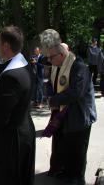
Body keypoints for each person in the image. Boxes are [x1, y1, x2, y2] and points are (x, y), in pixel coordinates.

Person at [0, 26, 35, 185]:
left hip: (12, 140)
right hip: (24, 129)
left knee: (8, 177)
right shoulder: (22, 63)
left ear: (6, 46)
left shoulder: (10, 76)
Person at [42, 30, 97, 185]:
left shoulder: (79, 66)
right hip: (65, 115)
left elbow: (76, 92)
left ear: (61, 55)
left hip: (80, 115)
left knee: (78, 149)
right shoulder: (58, 65)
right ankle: (67, 173)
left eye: (51, 57)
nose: (49, 60)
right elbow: (50, 83)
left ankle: (78, 178)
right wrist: (50, 94)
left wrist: (53, 100)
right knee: (67, 147)